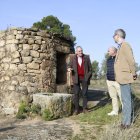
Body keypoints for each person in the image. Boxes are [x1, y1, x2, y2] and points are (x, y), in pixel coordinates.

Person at [113, 29, 137, 129]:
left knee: (126, 101)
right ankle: (125, 121)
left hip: (125, 77)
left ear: (118, 36)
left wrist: (134, 72)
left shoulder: (125, 45)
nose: (113, 37)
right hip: (122, 78)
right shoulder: (121, 46)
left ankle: (127, 123)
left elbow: (131, 60)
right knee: (125, 100)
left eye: (114, 35)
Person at [67, 46, 92, 115]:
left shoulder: (86, 57)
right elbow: (69, 65)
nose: (81, 52)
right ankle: (76, 109)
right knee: (76, 94)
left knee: (85, 94)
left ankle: (85, 109)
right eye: (79, 51)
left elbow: (90, 69)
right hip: (76, 78)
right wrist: (69, 68)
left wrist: (88, 76)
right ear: (76, 52)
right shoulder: (73, 58)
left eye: (81, 51)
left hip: (85, 78)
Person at [106, 47, 123, 116]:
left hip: (117, 81)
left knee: (122, 97)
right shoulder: (109, 59)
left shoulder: (119, 58)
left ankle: (125, 112)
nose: (108, 52)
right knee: (113, 97)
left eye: (109, 50)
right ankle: (115, 111)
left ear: (113, 51)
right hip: (109, 81)